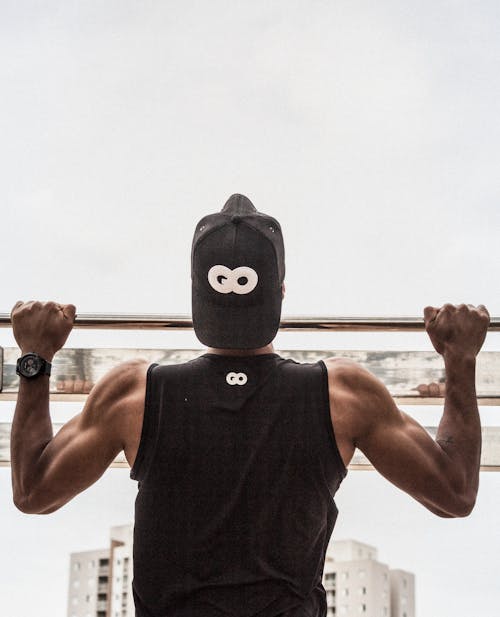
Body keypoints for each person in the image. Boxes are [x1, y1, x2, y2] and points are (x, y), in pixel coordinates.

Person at [10, 194, 490, 617]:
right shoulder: (344, 394)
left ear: (197, 295)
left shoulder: (132, 393)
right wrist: (460, 360)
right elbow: (454, 494)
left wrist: (36, 357)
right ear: (280, 292)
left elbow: (34, 492)